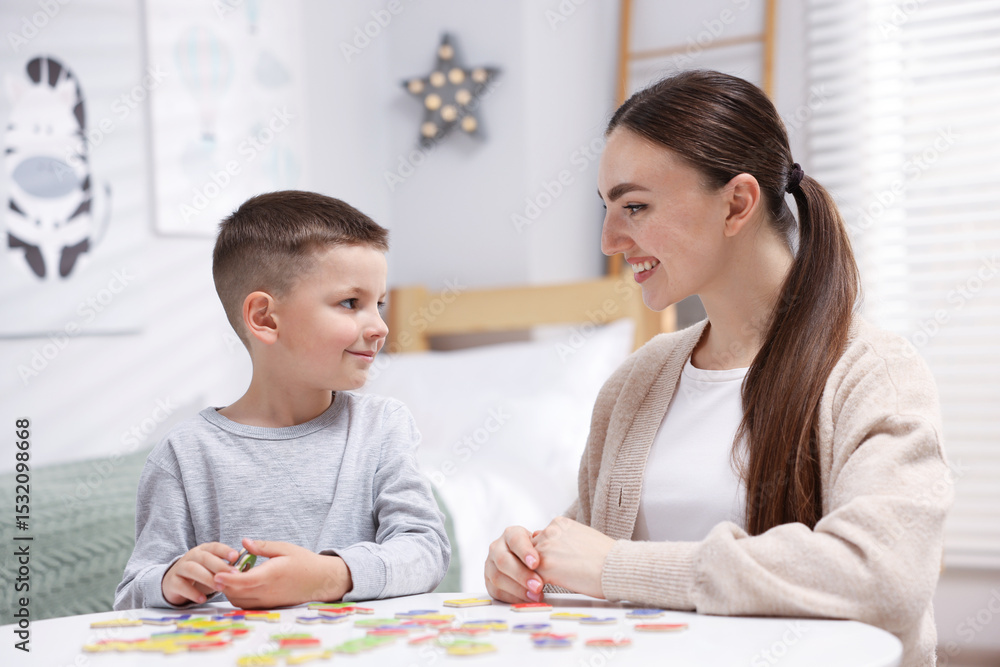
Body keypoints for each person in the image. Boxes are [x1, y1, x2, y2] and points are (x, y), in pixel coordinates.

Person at [485, 70, 951, 667]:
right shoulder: (637, 382)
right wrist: (527, 562)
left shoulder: (872, 372)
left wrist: (611, 567)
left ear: (737, 204)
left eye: (634, 205)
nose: (608, 240)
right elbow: (587, 548)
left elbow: (883, 579)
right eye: (606, 208)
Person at [116, 191, 450, 610]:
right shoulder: (184, 454)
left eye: (378, 304)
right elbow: (132, 594)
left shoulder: (382, 427)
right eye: (352, 303)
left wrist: (326, 576)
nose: (380, 326)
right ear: (265, 318)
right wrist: (169, 582)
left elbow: (427, 551)